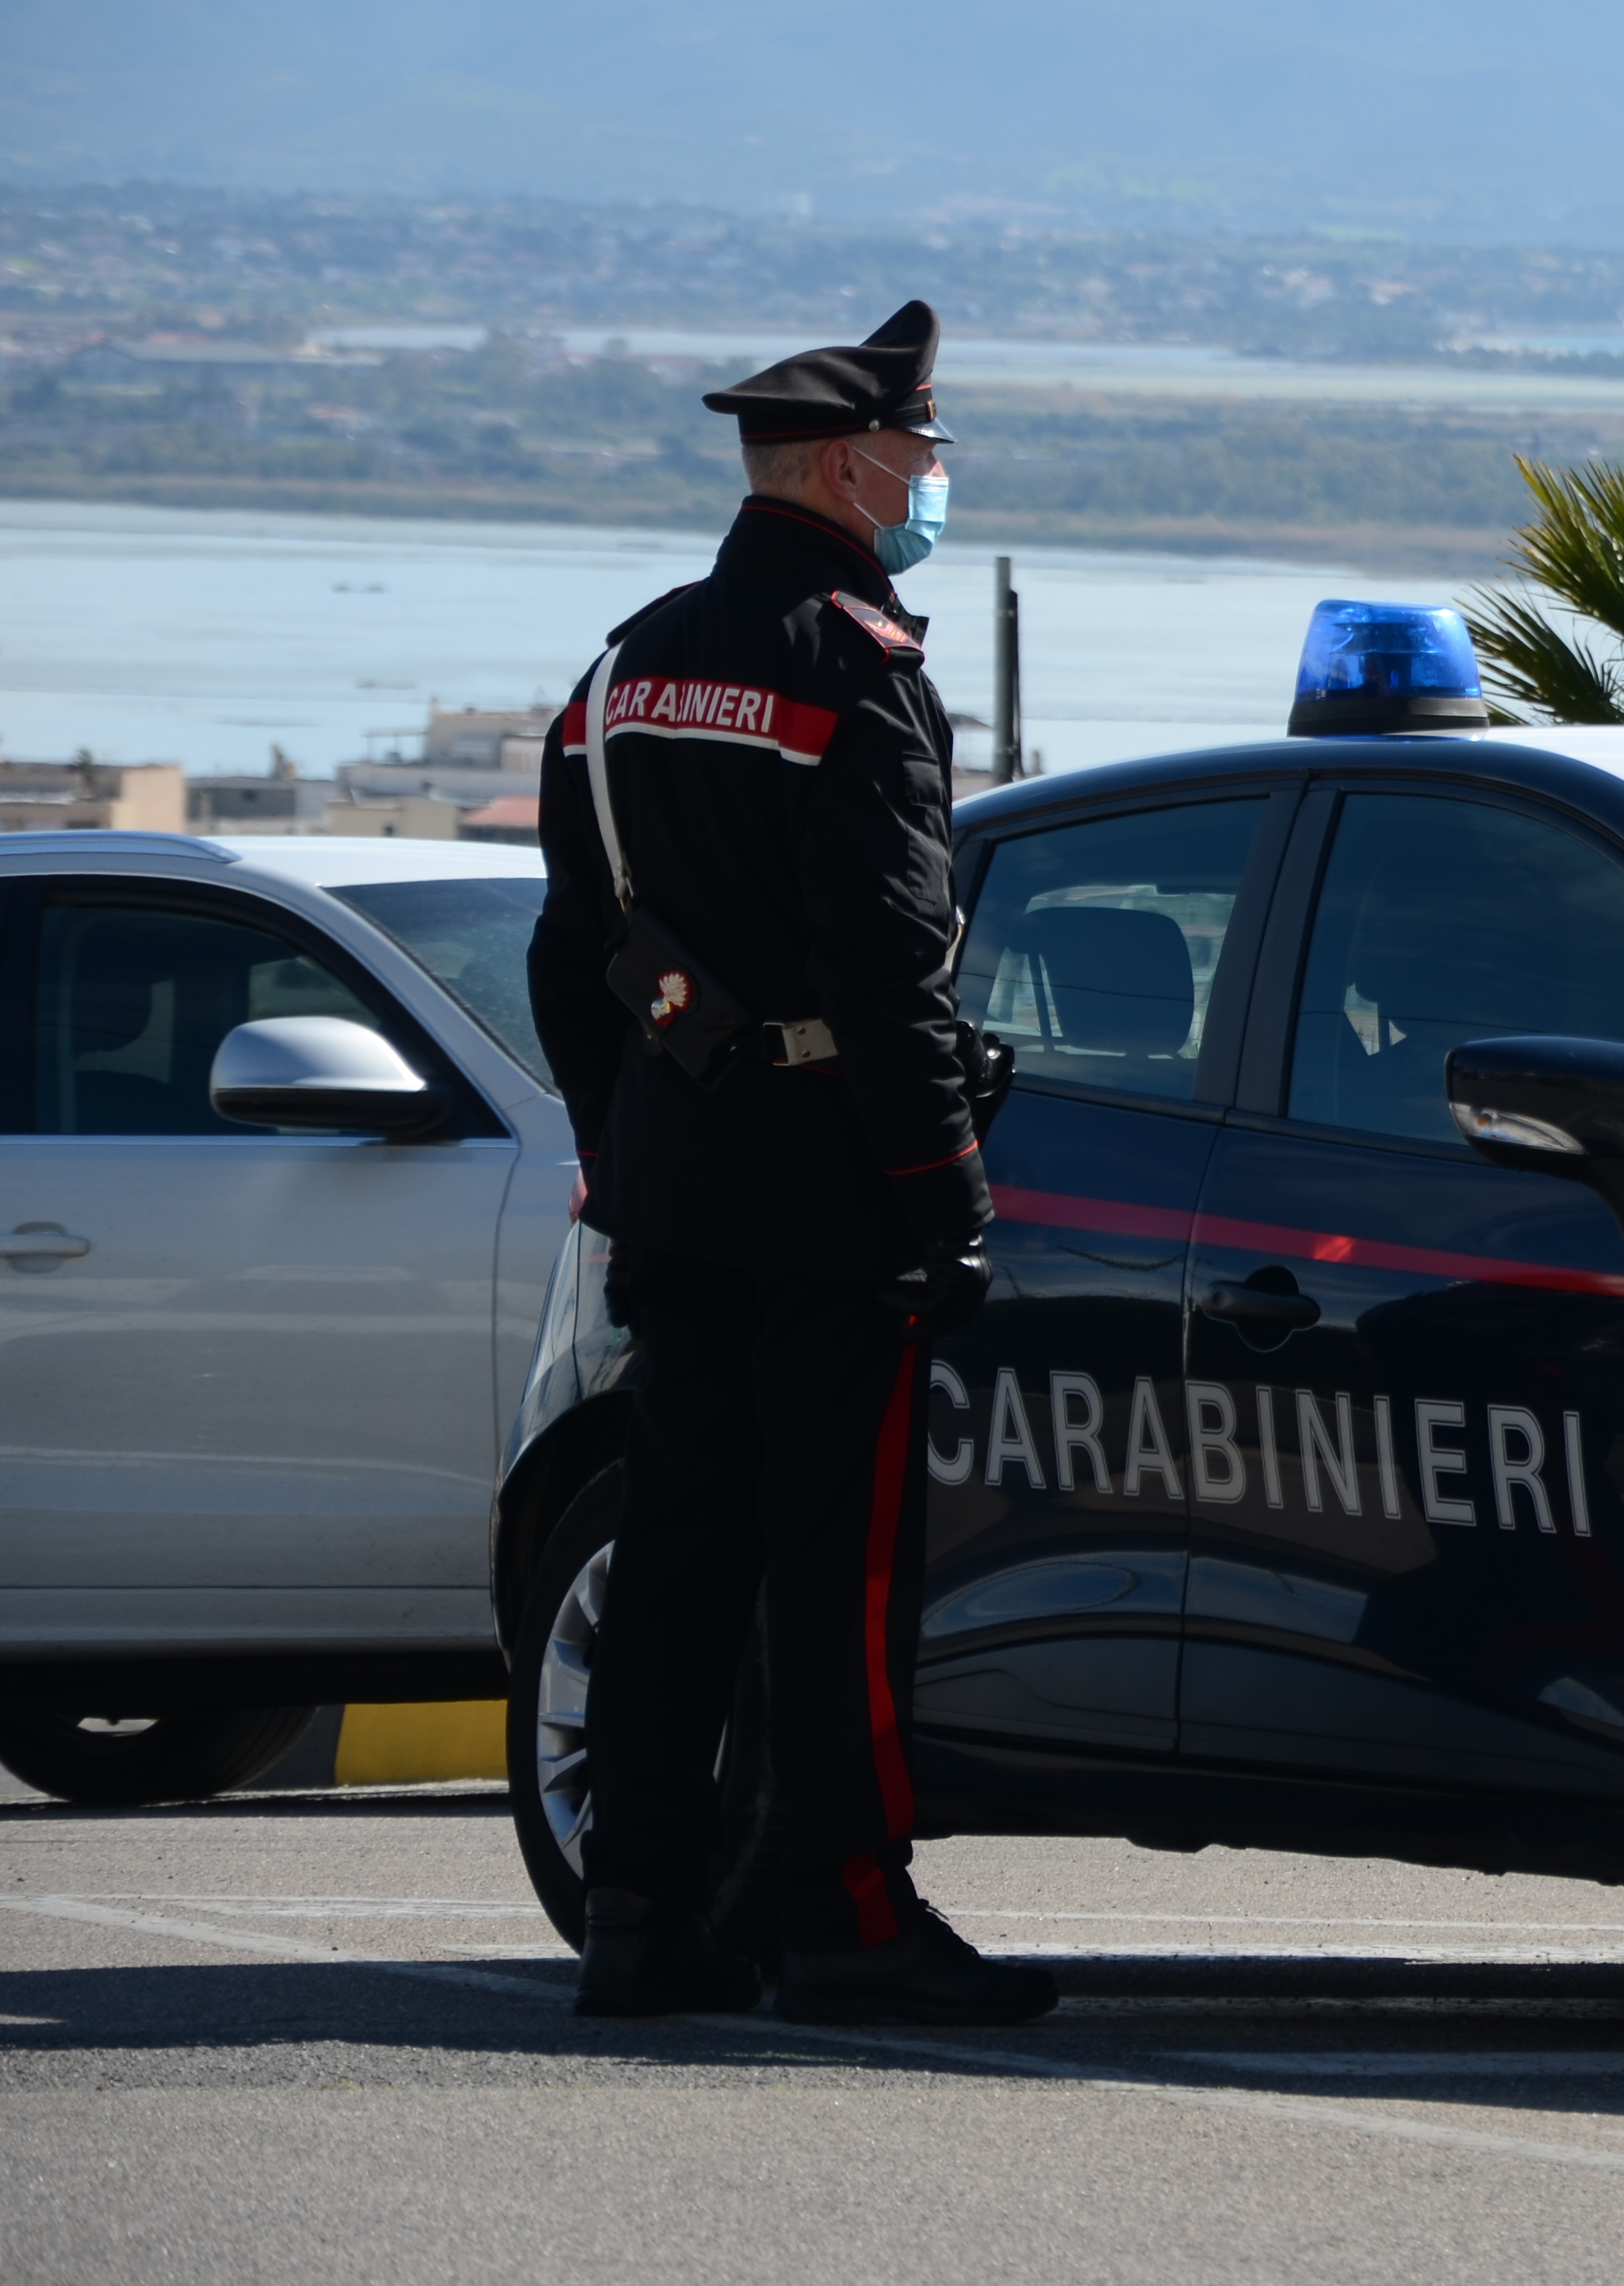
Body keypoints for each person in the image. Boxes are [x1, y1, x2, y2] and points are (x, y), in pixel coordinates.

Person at [524, 301, 1049, 2027]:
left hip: (677, 1181)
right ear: (848, 463)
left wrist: (625, 1147)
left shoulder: (621, 673)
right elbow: (891, 980)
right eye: (923, 453)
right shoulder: (854, 673)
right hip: (833, 1194)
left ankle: (643, 1916)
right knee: (840, 1577)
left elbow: (568, 961)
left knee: (679, 1558)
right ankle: (845, 1914)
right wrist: (950, 1206)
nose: (935, 480)